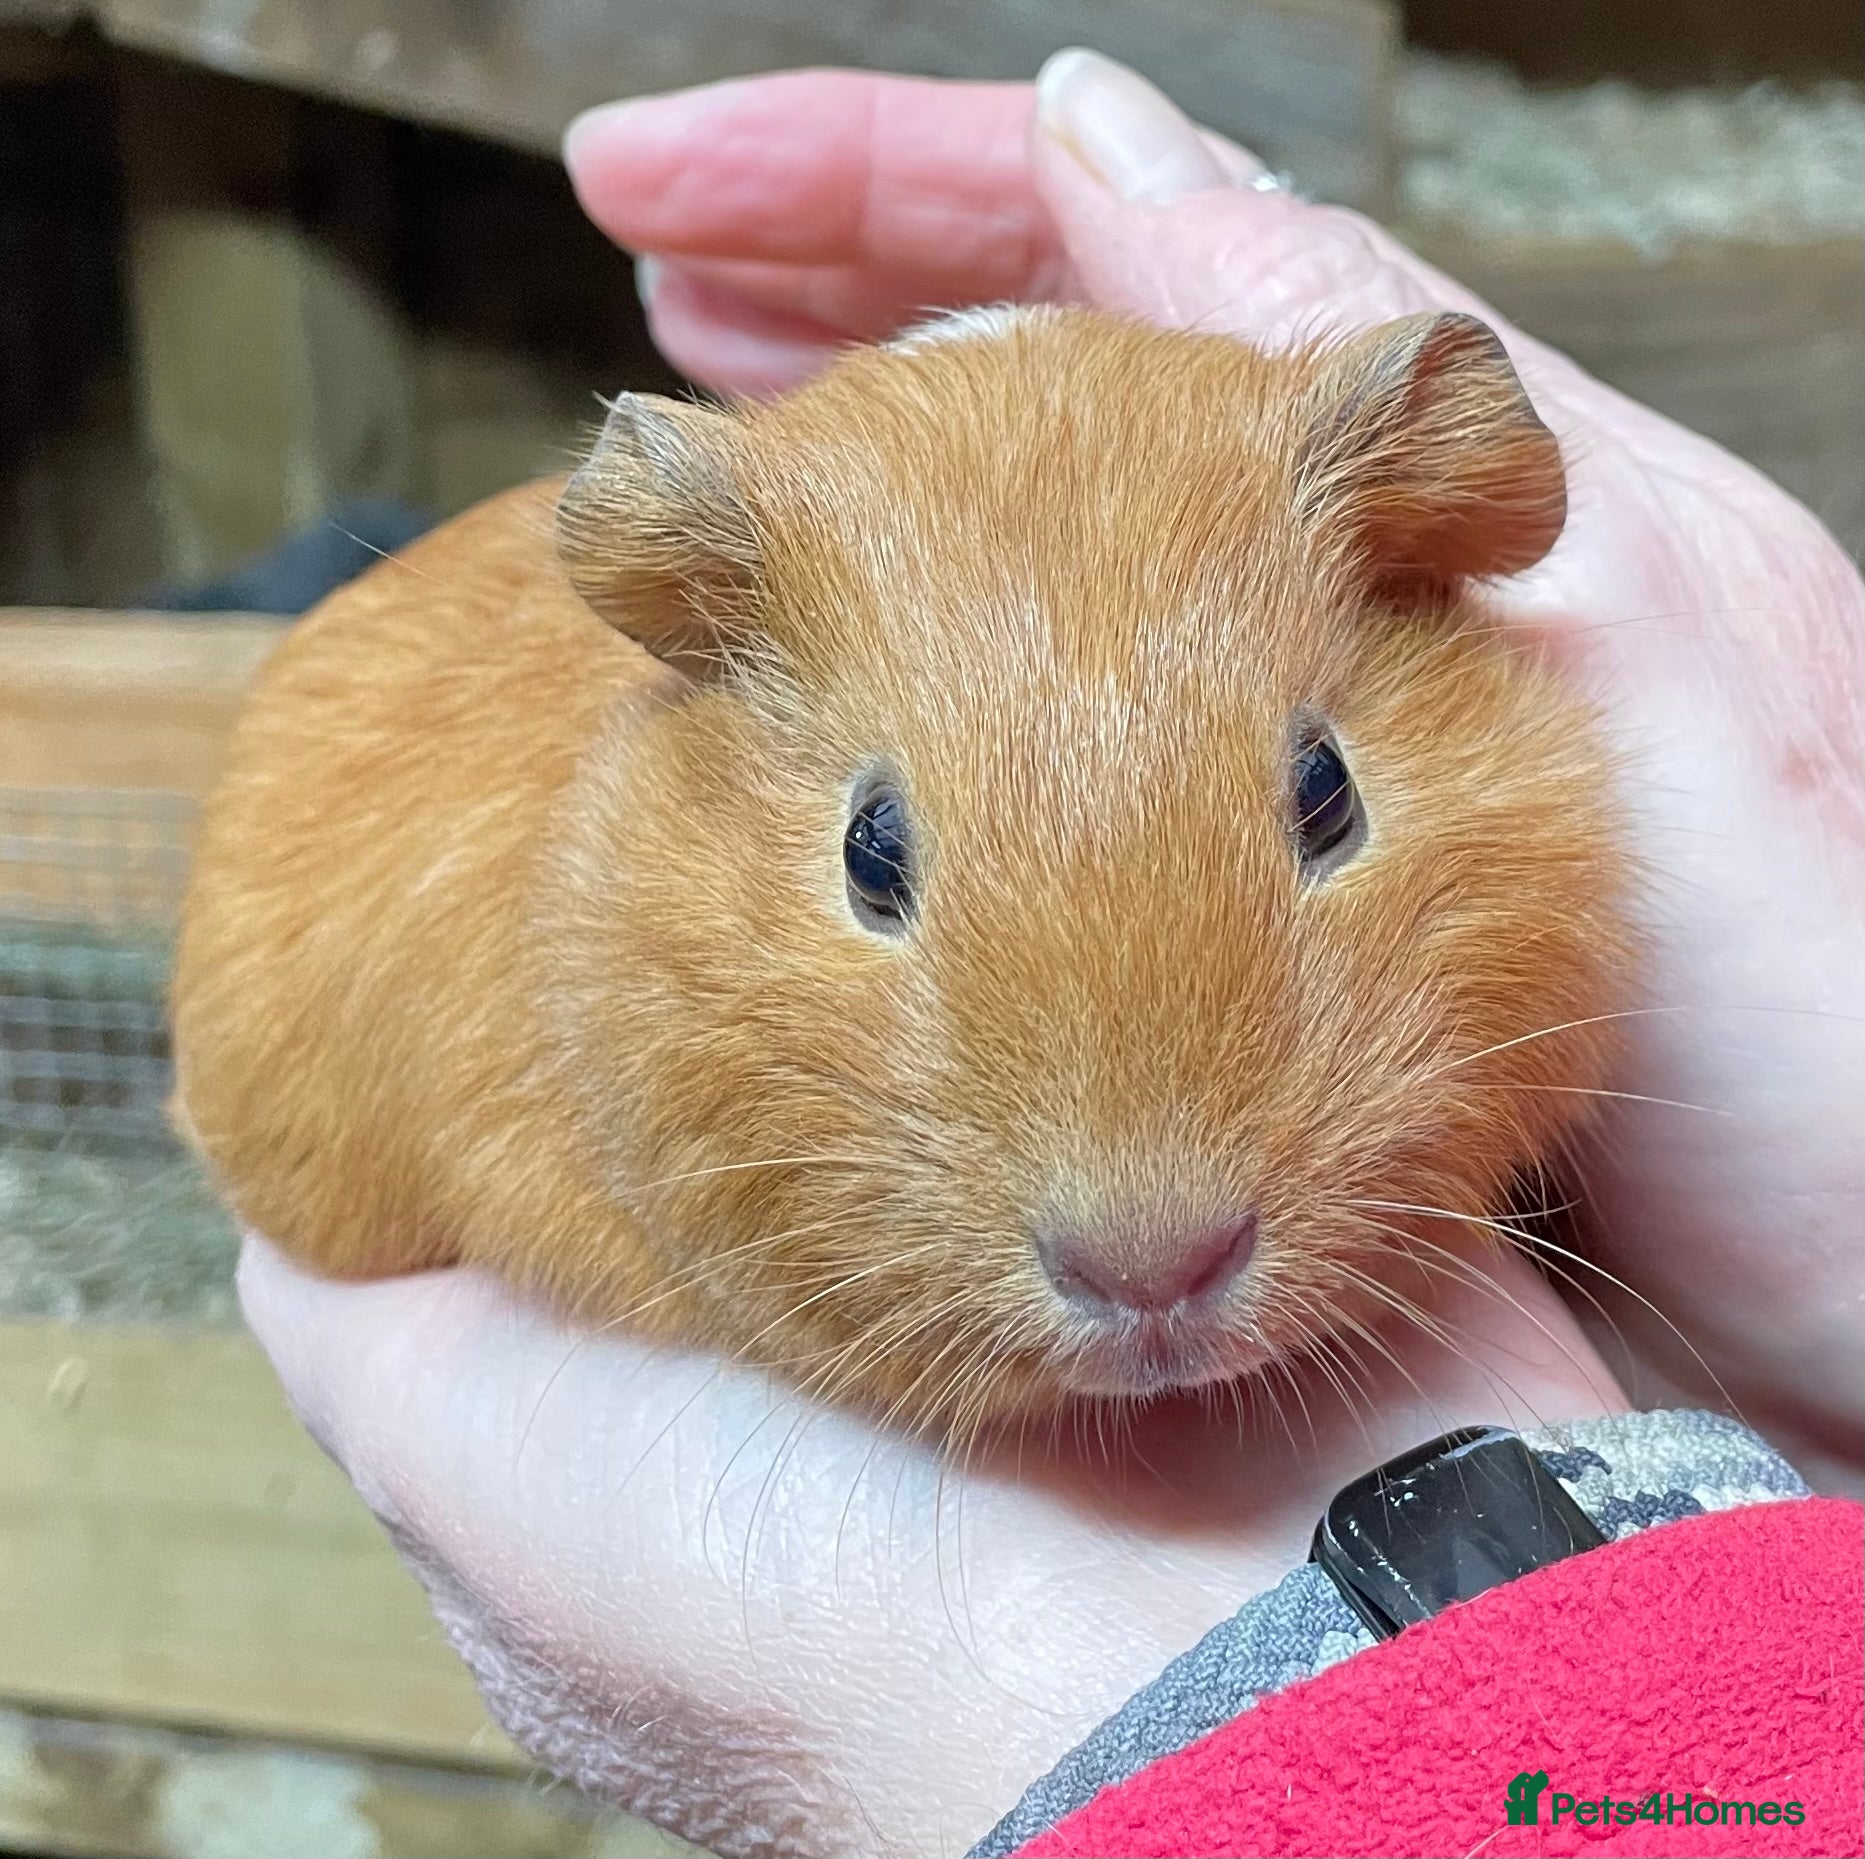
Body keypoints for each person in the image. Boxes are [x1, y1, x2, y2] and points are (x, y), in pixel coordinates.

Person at [239, 50, 1863, 1858]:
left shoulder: (1526, 740)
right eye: (879, 859)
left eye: (1316, 806)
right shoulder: (577, 876)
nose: (1146, 1242)